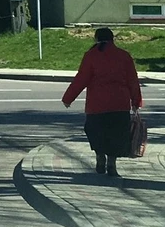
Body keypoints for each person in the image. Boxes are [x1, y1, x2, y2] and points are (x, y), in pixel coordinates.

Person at [61, 28, 142, 177]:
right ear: (113, 39)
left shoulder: (91, 56)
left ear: (96, 39)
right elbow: (133, 80)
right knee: (116, 134)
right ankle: (112, 163)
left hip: (97, 105)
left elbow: (81, 79)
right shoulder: (124, 56)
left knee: (96, 132)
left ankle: (100, 156)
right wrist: (136, 101)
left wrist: (68, 98)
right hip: (119, 104)